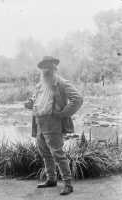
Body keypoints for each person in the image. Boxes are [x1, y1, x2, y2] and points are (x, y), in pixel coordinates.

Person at [25, 56, 83, 195]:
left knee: (58, 154)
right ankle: (51, 179)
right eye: (43, 67)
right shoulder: (40, 85)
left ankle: (68, 184)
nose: (46, 70)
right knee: (45, 153)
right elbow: (37, 100)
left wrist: (63, 113)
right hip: (39, 122)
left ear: (54, 68)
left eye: (48, 67)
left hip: (53, 123)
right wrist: (30, 104)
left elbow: (78, 99)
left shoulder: (62, 83)